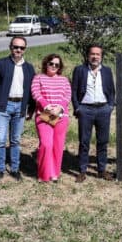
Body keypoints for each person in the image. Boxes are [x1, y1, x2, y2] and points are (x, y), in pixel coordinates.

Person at [0, 37, 35, 182]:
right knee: (0, 139)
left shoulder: (29, 68)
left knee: (15, 140)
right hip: (3, 106)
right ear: (10, 47)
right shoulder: (0, 64)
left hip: (20, 107)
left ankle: (15, 169)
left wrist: (31, 109)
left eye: (21, 48)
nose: (18, 50)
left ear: (25, 49)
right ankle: (0, 169)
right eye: (16, 47)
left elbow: (32, 90)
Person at [72, 45, 116, 182]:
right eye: (92, 54)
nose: (95, 57)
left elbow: (111, 90)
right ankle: (82, 171)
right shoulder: (80, 70)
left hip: (103, 109)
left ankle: (101, 170)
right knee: (84, 141)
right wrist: (77, 108)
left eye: (98, 54)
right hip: (85, 110)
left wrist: (110, 106)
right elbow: (74, 90)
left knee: (103, 141)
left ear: (101, 56)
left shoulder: (107, 71)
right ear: (88, 55)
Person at [31, 54, 71, 183]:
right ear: (46, 64)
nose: (54, 66)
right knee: (46, 144)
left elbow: (67, 96)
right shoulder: (38, 78)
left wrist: (59, 107)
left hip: (61, 115)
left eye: (57, 65)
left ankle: (54, 173)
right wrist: (47, 106)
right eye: (51, 63)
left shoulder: (64, 80)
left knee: (57, 146)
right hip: (44, 114)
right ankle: (43, 174)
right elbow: (36, 93)